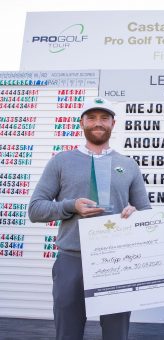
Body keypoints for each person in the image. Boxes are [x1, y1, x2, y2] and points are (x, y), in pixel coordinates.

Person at [29, 97, 151, 340]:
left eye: (104, 118)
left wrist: (136, 215)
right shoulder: (60, 161)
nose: (98, 123)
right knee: (68, 334)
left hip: (117, 261)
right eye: (92, 117)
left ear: (113, 124)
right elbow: (35, 209)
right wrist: (71, 206)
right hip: (72, 260)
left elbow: (147, 213)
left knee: (117, 334)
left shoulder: (128, 165)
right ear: (82, 122)